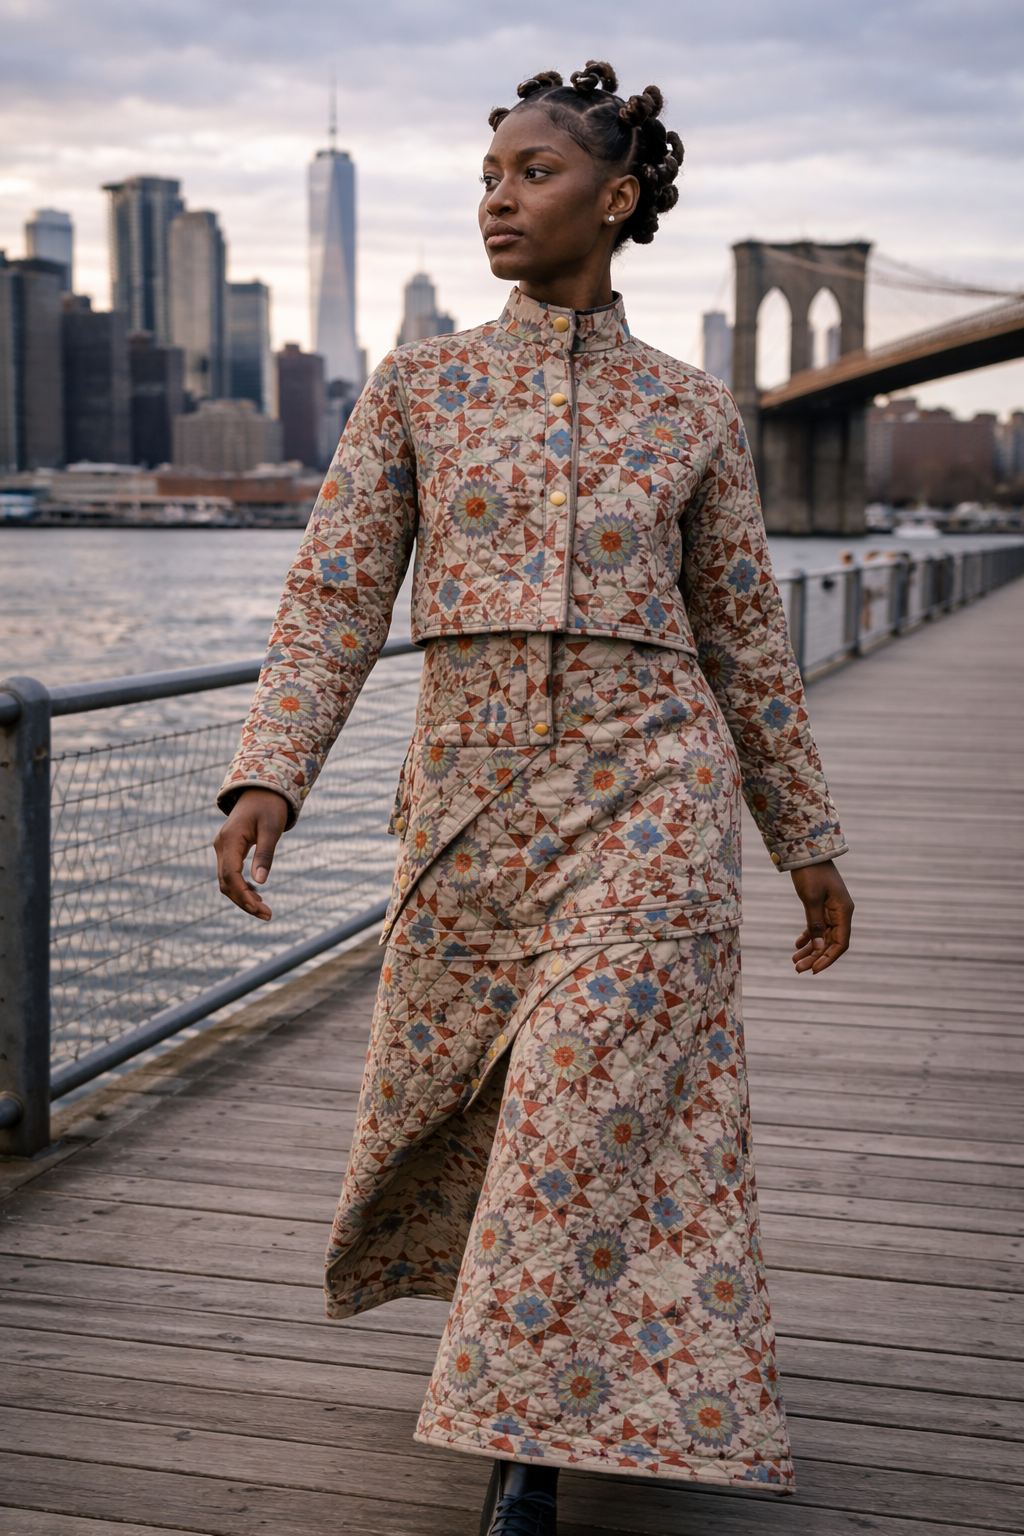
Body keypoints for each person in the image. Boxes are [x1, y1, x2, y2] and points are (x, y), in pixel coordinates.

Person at [215, 60, 854, 1536]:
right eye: (488, 175)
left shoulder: (694, 414)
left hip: (655, 796)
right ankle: (535, 1378)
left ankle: (524, 1461)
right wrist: (270, 772)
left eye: (533, 172)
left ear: (617, 200)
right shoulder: (418, 388)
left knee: (584, 1113)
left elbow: (748, 635)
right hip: (472, 809)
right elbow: (333, 598)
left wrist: (805, 838)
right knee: (494, 1117)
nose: (499, 195)